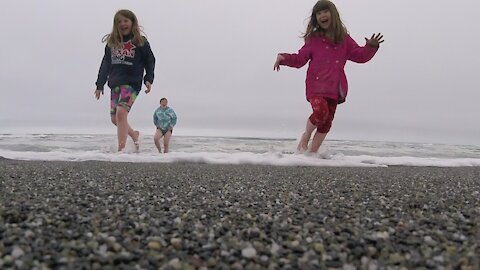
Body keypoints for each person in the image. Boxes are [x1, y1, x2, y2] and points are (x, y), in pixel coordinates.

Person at [273, 0, 383, 153]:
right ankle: (306, 136)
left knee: (326, 122)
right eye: (319, 13)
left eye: (325, 11)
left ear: (333, 14)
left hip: (334, 88)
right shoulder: (313, 40)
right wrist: (283, 58)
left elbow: (360, 56)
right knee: (320, 112)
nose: (322, 15)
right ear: (315, 18)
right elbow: (300, 59)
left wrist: (371, 47)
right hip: (316, 86)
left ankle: (312, 154)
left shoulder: (344, 39)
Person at [94, 9, 156, 152]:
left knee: (121, 113)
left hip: (132, 83)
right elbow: (105, 64)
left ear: (132, 22)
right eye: (119, 21)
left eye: (126, 21)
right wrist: (99, 84)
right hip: (115, 83)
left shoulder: (140, 42)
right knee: (115, 119)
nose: (123, 24)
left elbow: (150, 61)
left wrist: (148, 79)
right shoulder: (112, 43)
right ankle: (134, 135)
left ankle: (121, 150)